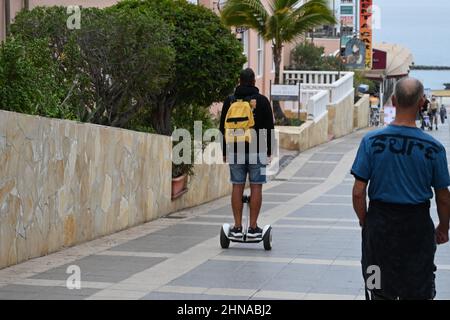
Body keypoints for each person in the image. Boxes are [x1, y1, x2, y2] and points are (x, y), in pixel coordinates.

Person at [351, 78, 450, 300]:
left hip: (379, 227)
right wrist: (443, 227)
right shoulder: (434, 149)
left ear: (393, 101)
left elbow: (358, 191)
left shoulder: (371, 141)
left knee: (375, 284)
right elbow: (443, 197)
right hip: (417, 229)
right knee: (418, 289)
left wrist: (365, 221)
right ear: (421, 102)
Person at [219, 68, 274, 239]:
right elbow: (269, 128)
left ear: (239, 80)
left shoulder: (230, 100)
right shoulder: (262, 101)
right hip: (257, 149)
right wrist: (269, 151)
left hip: (235, 149)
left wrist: (224, 151)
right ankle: (252, 228)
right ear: (253, 81)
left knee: (237, 185)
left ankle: (236, 227)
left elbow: (222, 127)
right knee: (256, 186)